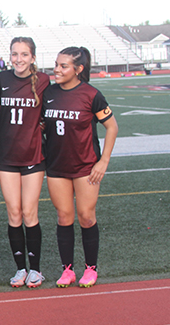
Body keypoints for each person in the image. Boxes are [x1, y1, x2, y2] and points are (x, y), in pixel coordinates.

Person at [44, 46, 118, 288]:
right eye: (56, 64)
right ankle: (67, 270)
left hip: (86, 166)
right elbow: (44, 125)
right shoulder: (48, 93)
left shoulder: (91, 94)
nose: (57, 69)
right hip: (56, 166)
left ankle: (90, 268)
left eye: (63, 66)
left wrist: (103, 161)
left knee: (86, 216)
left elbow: (112, 127)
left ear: (78, 69)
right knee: (64, 216)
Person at [0, 37, 50, 289]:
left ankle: (36, 269)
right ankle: (20, 269)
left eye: (24, 54)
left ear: (33, 58)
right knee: (14, 213)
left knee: (29, 212)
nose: (19, 59)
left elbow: (55, 109)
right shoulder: (1, 80)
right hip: (6, 156)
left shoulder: (44, 82)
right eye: (15, 54)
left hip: (32, 155)